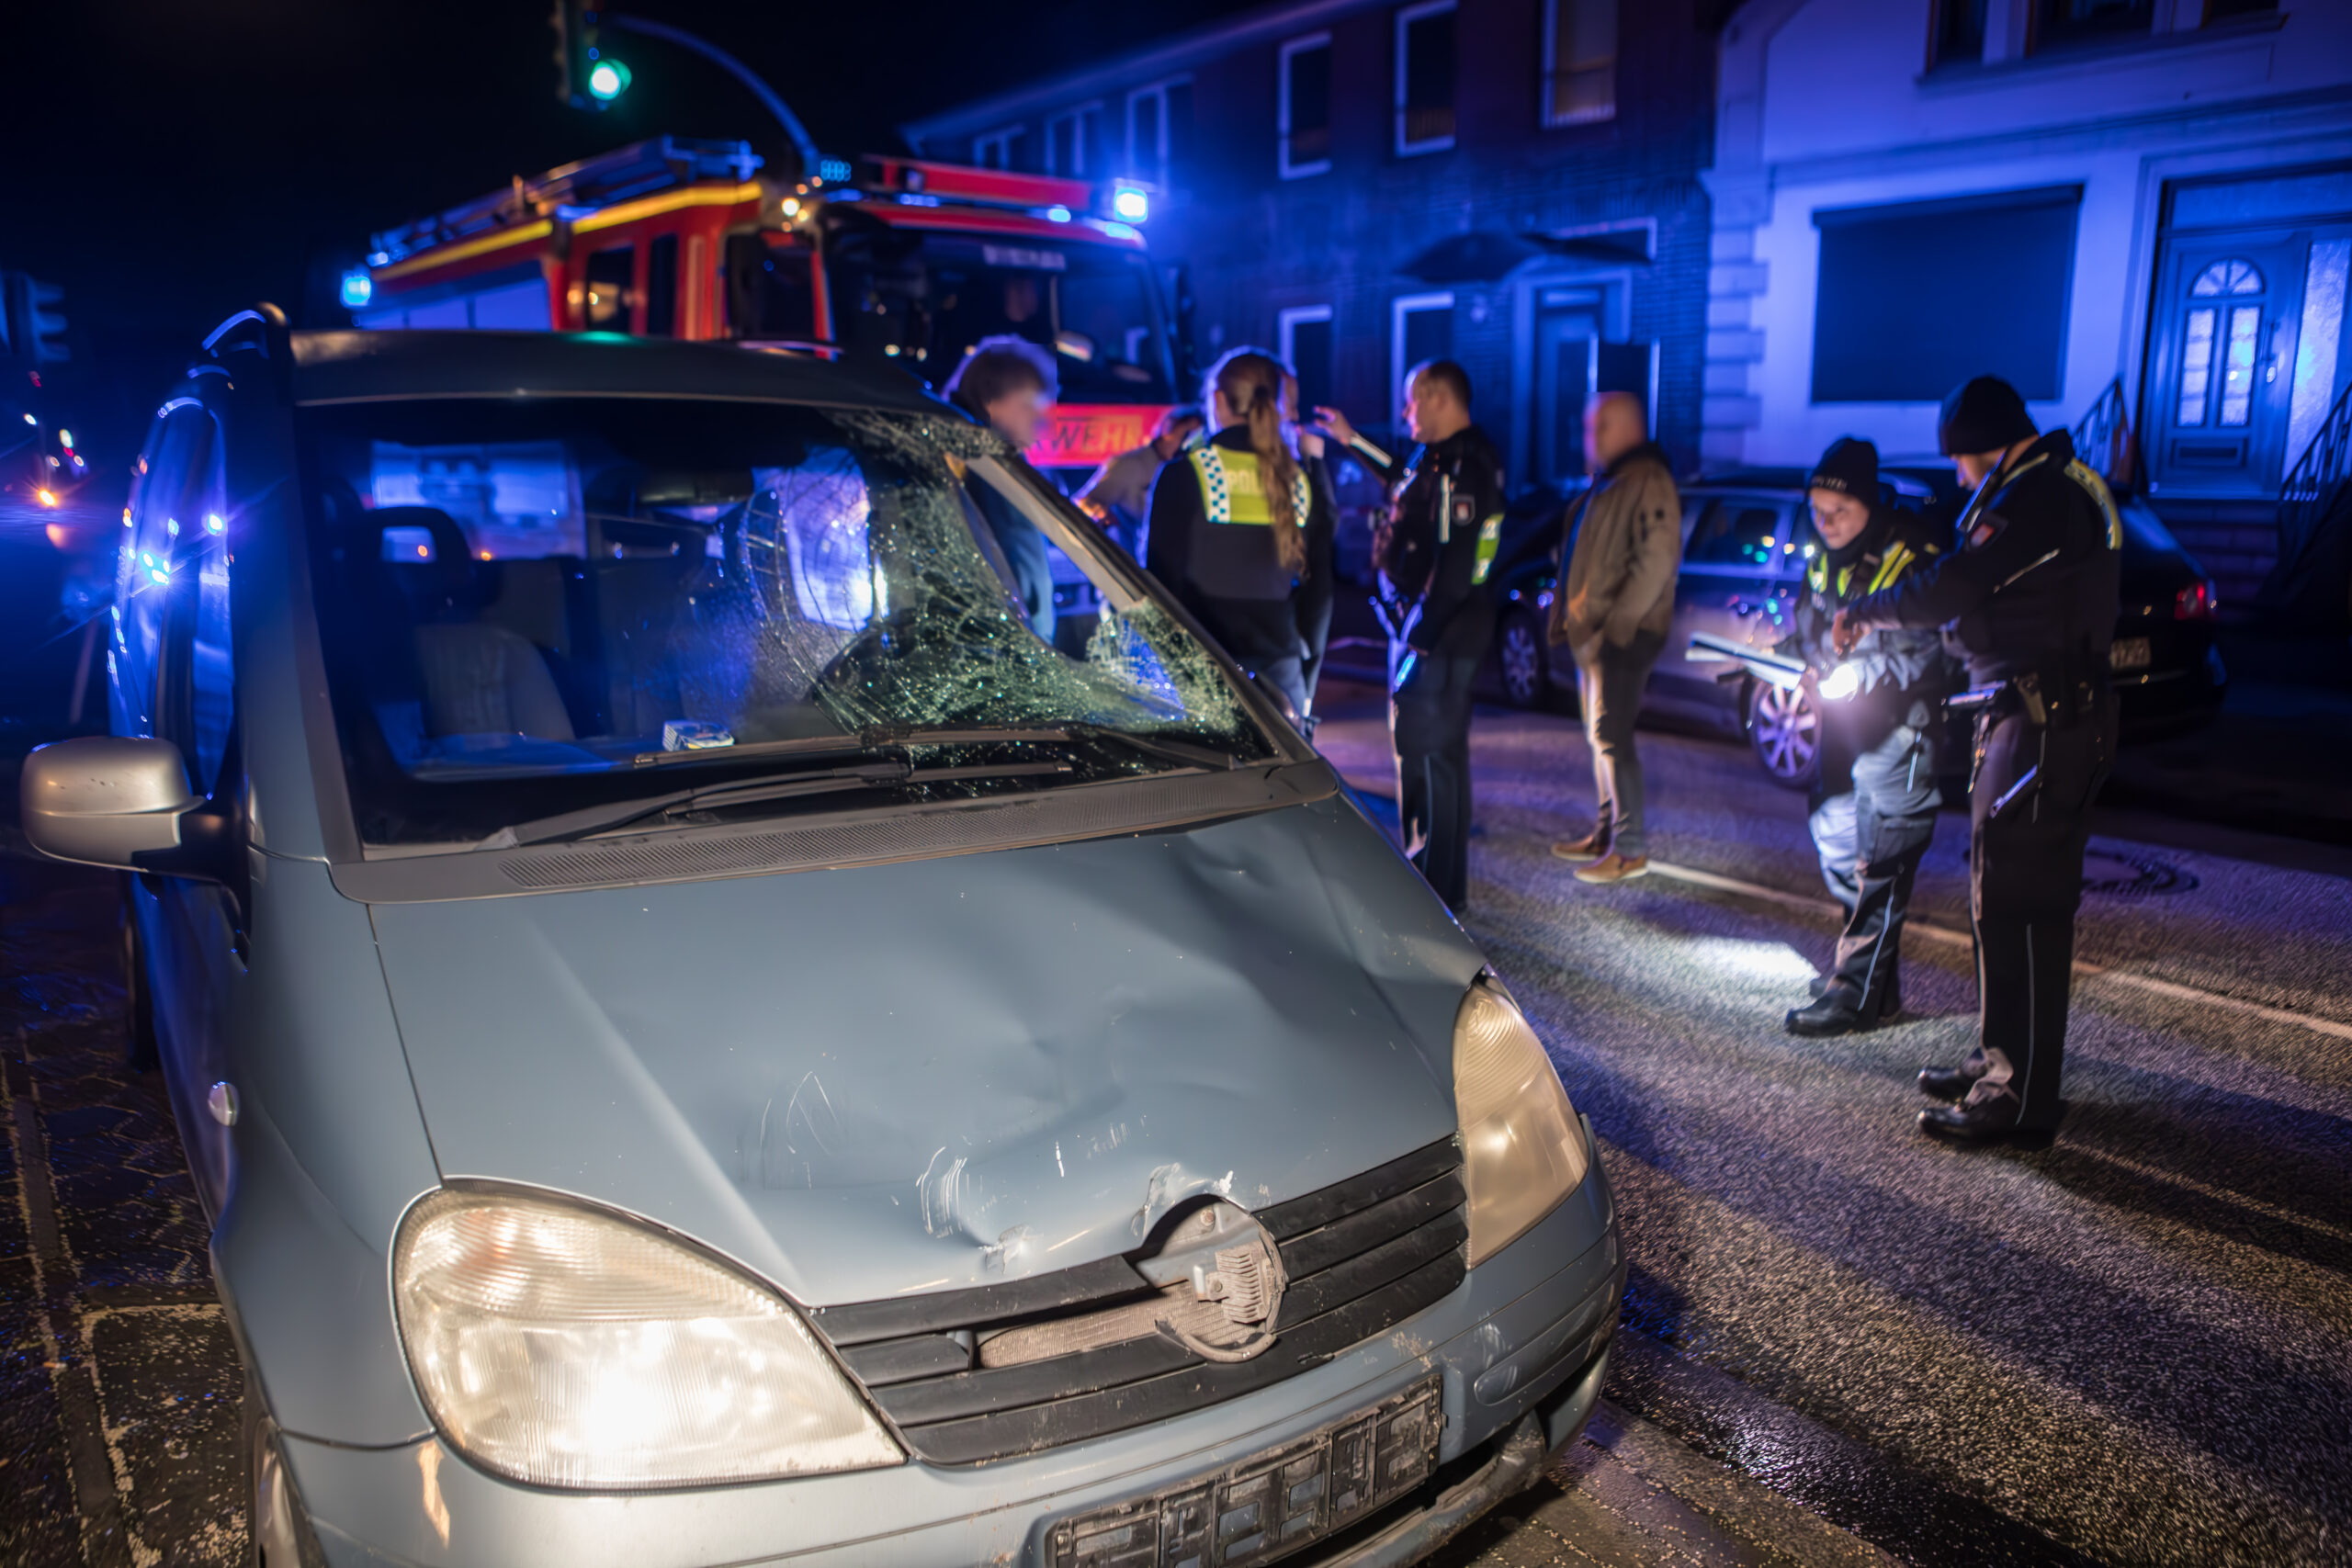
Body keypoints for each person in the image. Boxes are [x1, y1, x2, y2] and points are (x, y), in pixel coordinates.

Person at [1833, 376, 2122, 1142]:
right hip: (2028, 717)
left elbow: (1955, 585)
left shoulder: (2043, 498)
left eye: (1964, 460)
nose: (1960, 476)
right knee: (1998, 902)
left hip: (2046, 721)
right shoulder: (2041, 489)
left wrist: (1865, 613)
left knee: (2023, 908)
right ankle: (2001, 1056)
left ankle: (2019, 1097)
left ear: (1993, 446)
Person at [1313, 360, 1503, 914]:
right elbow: (1402, 476)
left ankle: (1438, 890)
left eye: (1411, 403)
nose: (1405, 414)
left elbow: (1459, 562)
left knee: (1434, 754)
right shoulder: (1438, 457)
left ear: (1439, 399)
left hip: (1440, 635)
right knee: (1417, 749)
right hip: (1423, 629)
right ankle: (1428, 875)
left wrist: (1418, 638)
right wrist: (1352, 441)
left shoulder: (1467, 464)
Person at [1780, 438, 1951, 1037]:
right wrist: (1788, 658)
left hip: (1901, 731)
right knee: (1835, 843)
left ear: (1869, 505)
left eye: (1838, 513)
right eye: (1817, 512)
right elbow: (1808, 624)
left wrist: (1857, 674)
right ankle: (1871, 981)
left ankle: (1854, 996)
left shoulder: (1914, 555)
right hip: (1842, 727)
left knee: (1880, 862)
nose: (1824, 525)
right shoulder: (1824, 553)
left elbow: (1930, 649)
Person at [1145, 348, 1334, 724]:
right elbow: (1319, 591)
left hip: (1207, 670)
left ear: (1217, 400)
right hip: (1283, 669)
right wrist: (1305, 678)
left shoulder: (1186, 474)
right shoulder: (1299, 480)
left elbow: (1161, 587)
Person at [1546, 391, 1681, 885]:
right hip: (1597, 633)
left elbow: (1656, 559)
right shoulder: (1614, 482)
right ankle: (1607, 834)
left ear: (1627, 428)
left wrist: (1618, 626)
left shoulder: (1646, 481)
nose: (1590, 436)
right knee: (1599, 736)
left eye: (1599, 426)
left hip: (1622, 634)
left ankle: (1629, 848)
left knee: (1612, 736)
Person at [944, 336, 1060, 640]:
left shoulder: (991, 466)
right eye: (1029, 407)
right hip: (1006, 648)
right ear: (990, 401)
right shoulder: (982, 471)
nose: (1039, 424)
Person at [1075, 404, 1204, 561]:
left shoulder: (1191, 469)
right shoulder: (1130, 464)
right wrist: (1099, 513)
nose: (1191, 442)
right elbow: (1083, 501)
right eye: (1187, 433)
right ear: (1168, 428)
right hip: (1129, 568)